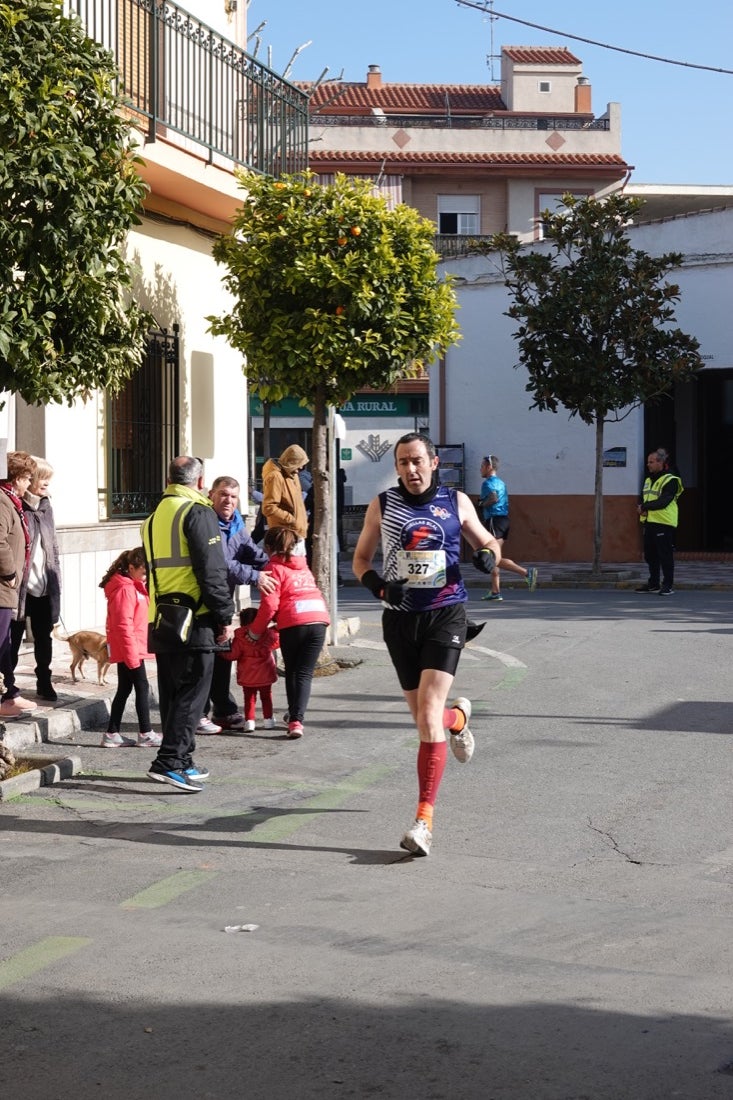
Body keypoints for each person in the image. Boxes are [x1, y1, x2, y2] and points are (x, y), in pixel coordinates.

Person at [352, 432, 503, 857]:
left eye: (417, 461)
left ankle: (423, 821)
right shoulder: (383, 505)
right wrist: (382, 589)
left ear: (433, 463)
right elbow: (361, 561)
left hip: (446, 613)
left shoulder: (455, 502)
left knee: (426, 718)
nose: (410, 470)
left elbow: (486, 541)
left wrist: (488, 555)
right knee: (425, 717)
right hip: (400, 621)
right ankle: (459, 719)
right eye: (402, 463)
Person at [141, 456, 235, 792]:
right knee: (194, 692)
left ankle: (183, 759)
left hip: (163, 616)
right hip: (196, 617)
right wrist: (225, 615)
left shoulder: (153, 517)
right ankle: (169, 761)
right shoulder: (197, 511)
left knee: (173, 691)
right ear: (199, 480)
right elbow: (211, 570)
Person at [197, 475, 277, 735]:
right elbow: (220, 563)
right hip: (202, 599)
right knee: (205, 659)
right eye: (223, 495)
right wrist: (256, 577)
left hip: (222, 600)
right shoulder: (206, 522)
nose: (228, 501)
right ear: (211, 495)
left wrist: (275, 567)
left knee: (222, 653)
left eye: (233, 496)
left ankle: (223, 710)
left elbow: (248, 551)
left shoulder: (235, 522)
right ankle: (200, 714)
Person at [246, 526, 329, 739]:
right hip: (318, 619)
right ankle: (296, 719)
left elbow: (270, 606)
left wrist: (254, 632)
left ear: (268, 547)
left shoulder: (273, 569)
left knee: (293, 672)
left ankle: (294, 721)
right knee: (305, 673)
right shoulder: (303, 567)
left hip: (294, 623)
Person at [7, 456, 61, 703]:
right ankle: (8, 685)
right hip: (19, 585)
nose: (47, 484)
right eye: (43, 479)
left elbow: (53, 548)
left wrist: (56, 582)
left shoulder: (47, 507)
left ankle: (44, 681)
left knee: (43, 637)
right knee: (13, 638)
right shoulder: (16, 506)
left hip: (43, 584)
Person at [99, 547, 161, 749]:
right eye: (143, 572)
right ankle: (145, 732)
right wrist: (131, 655)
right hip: (130, 648)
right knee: (142, 687)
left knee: (125, 688)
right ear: (131, 567)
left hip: (132, 647)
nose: (145, 577)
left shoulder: (132, 586)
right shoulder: (126, 590)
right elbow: (123, 625)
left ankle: (112, 733)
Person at [0, 452, 37, 719]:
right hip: (2, 587)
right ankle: (7, 696)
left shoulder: (12, 501)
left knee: (6, 641)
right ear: (16, 477)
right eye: (27, 478)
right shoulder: (2, 501)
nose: (29, 483)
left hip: (7, 589)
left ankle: (9, 694)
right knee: (1, 643)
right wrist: (10, 573)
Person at [478, 454, 538, 601]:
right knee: (493, 556)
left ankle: (526, 573)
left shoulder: (488, 483)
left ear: (489, 467)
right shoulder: (501, 483)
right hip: (503, 521)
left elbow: (493, 498)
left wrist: (480, 505)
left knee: (492, 557)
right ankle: (495, 591)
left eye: (482, 466)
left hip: (494, 520)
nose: (480, 469)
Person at [221, 607, 279, 733]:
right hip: (266, 673)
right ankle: (268, 720)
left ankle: (249, 721)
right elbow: (276, 641)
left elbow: (233, 655)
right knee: (266, 697)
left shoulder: (240, 636)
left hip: (247, 674)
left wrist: (222, 651)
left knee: (249, 698)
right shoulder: (268, 634)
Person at [636, 447, 683, 596]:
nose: (648, 465)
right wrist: (641, 505)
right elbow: (645, 497)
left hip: (663, 522)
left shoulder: (671, 480)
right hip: (649, 521)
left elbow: (664, 501)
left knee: (665, 555)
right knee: (650, 555)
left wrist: (644, 506)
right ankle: (653, 584)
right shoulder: (649, 479)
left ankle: (667, 585)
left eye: (651, 462)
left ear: (660, 462)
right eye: (648, 462)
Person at [261, 445, 309, 552]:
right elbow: (269, 507)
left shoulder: (293, 475)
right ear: (291, 462)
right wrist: (291, 520)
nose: (301, 468)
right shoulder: (275, 477)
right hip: (286, 536)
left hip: (297, 533)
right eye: (299, 464)